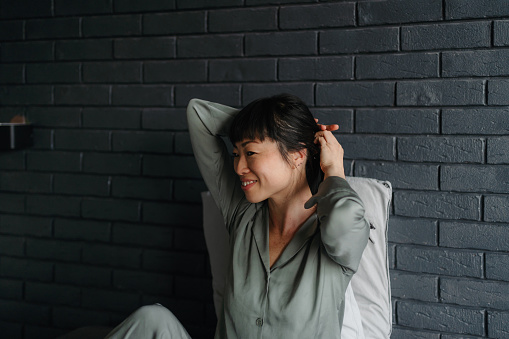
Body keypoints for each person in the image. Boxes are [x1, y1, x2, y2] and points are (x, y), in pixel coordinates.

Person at [105, 94, 369, 339]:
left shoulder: (333, 236)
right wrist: (269, 126)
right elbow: (198, 114)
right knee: (152, 320)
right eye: (235, 154)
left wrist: (333, 168)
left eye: (250, 152)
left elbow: (346, 223)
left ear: (298, 154)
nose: (239, 167)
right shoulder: (243, 213)